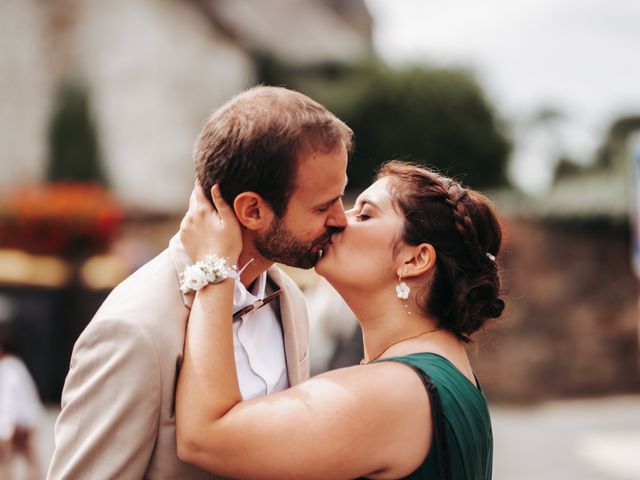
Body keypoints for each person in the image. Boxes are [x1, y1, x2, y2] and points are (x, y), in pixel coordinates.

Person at [47, 86, 352, 479]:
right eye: (323, 206)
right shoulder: (134, 330)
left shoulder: (288, 297)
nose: (341, 219)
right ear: (253, 210)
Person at [176, 161, 505, 479]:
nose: (337, 220)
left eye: (364, 214)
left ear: (415, 259)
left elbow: (205, 437)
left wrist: (214, 265)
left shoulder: (392, 392)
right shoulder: (446, 369)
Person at [0, 320, 43, 480]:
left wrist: (5, 429)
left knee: (6, 461)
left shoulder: (8, 367)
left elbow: (8, 401)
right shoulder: (17, 366)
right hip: (26, 421)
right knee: (30, 460)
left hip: (17, 423)